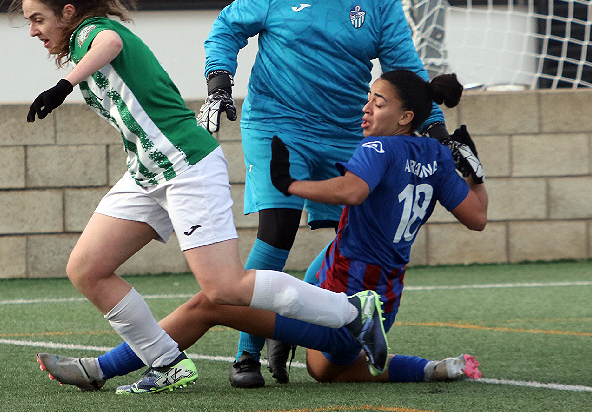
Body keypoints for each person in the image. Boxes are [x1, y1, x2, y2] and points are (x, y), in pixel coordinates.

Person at [10, 0, 388, 395]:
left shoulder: (90, 33)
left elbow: (110, 41)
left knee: (225, 287)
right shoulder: (82, 44)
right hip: (147, 171)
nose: (33, 31)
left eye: (38, 19)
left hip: (186, 165)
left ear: (68, 12)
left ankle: (352, 311)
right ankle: (166, 363)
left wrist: (63, 85)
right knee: (86, 269)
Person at [38, 69, 488, 390]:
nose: (366, 108)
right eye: (369, 98)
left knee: (211, 301)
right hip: (387, 298)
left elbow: (353, 191)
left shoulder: (379, 148)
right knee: (323, 369)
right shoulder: (438, 157)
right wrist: (476, 174)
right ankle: (432, 368)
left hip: (348, 291)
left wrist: (291, 185)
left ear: (406, 117)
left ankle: (103, 368)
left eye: (379, 102)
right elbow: (477, 217)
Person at [196, 0, 483, 388]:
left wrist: (437, 131)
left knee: (346, 239)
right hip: (278, 123)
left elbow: (406, 70)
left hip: (344, 128)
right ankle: (246, 354)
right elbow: (226, 29)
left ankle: (293, 326)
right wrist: (219, 83)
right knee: (277, 230)